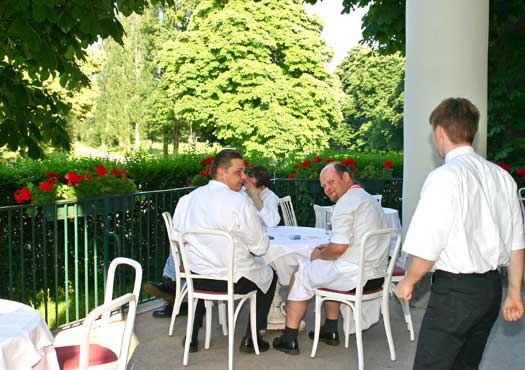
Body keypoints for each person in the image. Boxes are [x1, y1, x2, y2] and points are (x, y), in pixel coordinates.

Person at [395, 97, 525, 370]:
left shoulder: (445, 177)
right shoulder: (503, 178)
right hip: (490, 291)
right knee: (466, 365)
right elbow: (516, 243)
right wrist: (514, 293)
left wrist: (409, 281)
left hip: (455, 295)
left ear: (440, 131)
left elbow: (430, 244)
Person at [272, 162, 390, 355]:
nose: (327, 189)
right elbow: (355, 240)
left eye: (331, 182)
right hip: (375, 275)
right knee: (325, 266)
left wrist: (320, 254)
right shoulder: (368, 200)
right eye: (324, 186)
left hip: (353, 275)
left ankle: (289, 338)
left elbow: (338, 248)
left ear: (346, 177)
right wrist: (329, 251)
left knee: (302, 270)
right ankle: (330, 329)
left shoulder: (346, 203)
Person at [172, 149, 278, 353]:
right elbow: (260, 246)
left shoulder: (189, 199)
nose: (244, 177)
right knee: (271, 275)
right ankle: (251, 338)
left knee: (205, 265)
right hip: (232, 280)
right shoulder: (239, 202)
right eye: (239, 172)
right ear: (221, 173)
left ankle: (192, 336)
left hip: (197, 278)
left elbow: (177, 236)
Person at [145, 165, 280, 318]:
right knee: (186, 242)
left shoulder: (269, 197)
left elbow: (272, 222)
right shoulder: (236, 196)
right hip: (219, 266)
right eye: (244, 181)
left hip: (207, 269)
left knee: (190, 242)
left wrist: (256, 198)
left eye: (250, 184)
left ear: (261, 187)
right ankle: (172, 284)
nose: (244, 184)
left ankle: (173, 287)